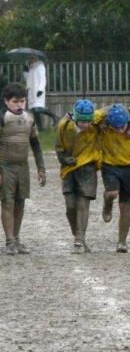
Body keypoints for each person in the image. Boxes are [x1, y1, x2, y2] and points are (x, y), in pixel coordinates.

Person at [0, 83, 46, 255]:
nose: (20, 105)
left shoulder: (29, 119)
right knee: (8, 202)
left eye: (23, 101)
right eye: (15, 101)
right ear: (6, 101)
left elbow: (36, 145)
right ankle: (9, 241)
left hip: (22, 167)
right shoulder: (2, 118)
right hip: (5, 167)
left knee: (20, 203)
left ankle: (17, 239)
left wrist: (41, 168)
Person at [55, 99, 101, 253]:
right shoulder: (64, 126)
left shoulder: (96, 124)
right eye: (82, 121)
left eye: (88, 121)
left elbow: (110, 112)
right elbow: (59, 147)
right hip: (69, 169)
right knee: (70, 207)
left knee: (83, 204)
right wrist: (64, 159)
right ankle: (78, 236)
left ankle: (79, 240)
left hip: (88, 168)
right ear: (75, 117)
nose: (86, 125)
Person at [99, 104, 130, 253]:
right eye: (115, 127)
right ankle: (107, 202)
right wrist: (104, 120)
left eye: (122, 126)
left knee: (125, 207)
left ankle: (122, 241)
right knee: (112, 193)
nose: (119, 130)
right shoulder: (104, 127)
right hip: (110, 165)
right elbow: (96, 116)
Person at [25, 57, 59, 129]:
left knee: (38, 109)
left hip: (38, 91)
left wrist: (40, 89)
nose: (30, 60)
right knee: (34, 111)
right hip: (32, 92)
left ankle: (54, 116)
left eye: (32, 58)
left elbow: (43, 79)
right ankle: (40, 128)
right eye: (30, 59)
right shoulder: (31, 68)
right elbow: (28, 80)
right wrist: (25, 72)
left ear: (36, 58)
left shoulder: (40, 66)